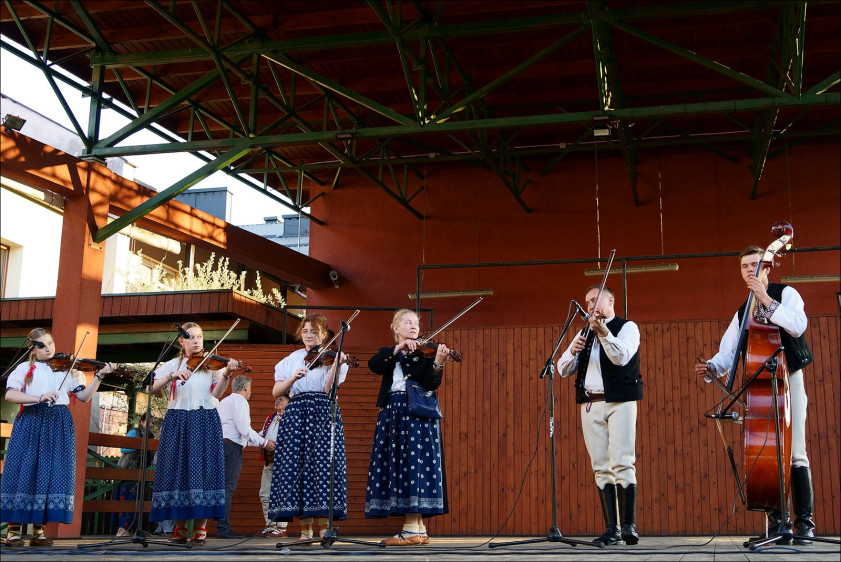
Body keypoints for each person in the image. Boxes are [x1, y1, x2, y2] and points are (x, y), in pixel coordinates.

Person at [694, 245, 815, 545]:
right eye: (744, 266)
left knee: (795, 452)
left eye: (754, 264)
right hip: (758, 387)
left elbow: (798, 326)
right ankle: (777, 524)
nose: (749, 270)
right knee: (767, 455)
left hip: (788, 379)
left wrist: (766, 300)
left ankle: (805, 525)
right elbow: (729, 351)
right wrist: (712, 366)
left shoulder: (786, 293)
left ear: (767, 267)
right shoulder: (742, 310)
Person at [1, 327, 114, 547]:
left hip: (59, 422)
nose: (48, 348)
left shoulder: (70, 369)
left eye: (50, 343)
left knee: (50, 472)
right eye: (42, 345)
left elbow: (83, 396)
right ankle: (13, 531)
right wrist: (39, 397)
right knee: (24, 469)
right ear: (32, 348)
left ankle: (38, 532)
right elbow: (10, 394)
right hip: (32, 421)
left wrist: (99, 376)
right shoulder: (24, 368)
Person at [557, 286, 643, 547]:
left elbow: (621, 357)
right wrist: (573, 351)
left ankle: (628, 527)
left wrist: (604, 333)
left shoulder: (627, 327)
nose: (590, 306)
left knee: (623, 461)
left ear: (611, 300)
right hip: (591, 403)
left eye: (595, 300)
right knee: (600, 466)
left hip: (620, 401)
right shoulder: (583, 333)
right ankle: (611, 529)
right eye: (587, 302)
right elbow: (562, 369)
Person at [365, 308, 450, 546]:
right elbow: (374, 365)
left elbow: (430, 384)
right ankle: (418, 529)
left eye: (416, 323)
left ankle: (412, 528)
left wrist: (438, 364)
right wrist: (398, 349)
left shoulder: (425, 354)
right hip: (393, 411)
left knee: (414, 465)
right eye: (408, 322)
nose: (414, 326)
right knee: (403, 464)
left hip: (414, 413)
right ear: (395, 328)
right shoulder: (388, 353)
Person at [148, 322, 239, 546]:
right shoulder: (172, 364)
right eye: (191, 337)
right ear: (182, 341)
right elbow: (150, 387)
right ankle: (179, 529)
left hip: (205, 418)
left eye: (199, 336)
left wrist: (227, 374)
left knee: (205, 470)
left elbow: (217, 393)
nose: (197, 341)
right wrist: (171, 376)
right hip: (177, 419)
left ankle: (200, 528)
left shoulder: (212, 364)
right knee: (178, 470)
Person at [267, 314, 350, 543]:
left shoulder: (331, 357)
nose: (309, 335)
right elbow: (276, 392)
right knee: (298, 466)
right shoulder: (291, 360)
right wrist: (292, 379)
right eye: (305, 331)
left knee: (323, 467)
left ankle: (324, 529)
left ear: (324, 334)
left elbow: (328, 390)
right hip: (297, 412)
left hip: (323, 411)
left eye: (314, 331)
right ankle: (305, 531)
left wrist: (336, 365)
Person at [215, 374, 273, 539]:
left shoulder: (223, 401)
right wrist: (264, 442)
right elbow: (244, 430)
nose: (250, 391)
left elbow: (238, 433)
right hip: (232, 449)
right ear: (246, 387)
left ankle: (216, 527)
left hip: (219, 446)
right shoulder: (240, 401)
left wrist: (260, 439)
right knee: (228, 487)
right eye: (250, 388)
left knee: (220, 487)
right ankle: (223, 528)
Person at [112, 411, 154, 537]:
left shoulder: (150, 436)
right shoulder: (134, 432)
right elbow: (123, 448)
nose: (151, 425)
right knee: (126, 499)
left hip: (139, 472)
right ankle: (122, 528)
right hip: (127, 469)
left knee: (137, 500)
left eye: (152, 423)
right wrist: (140, 445)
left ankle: (133, 529)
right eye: (148, 422)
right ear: (141, 422)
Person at [257, 394, 290, 538]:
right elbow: (263, 434)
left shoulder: (292, 418)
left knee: (283, 493)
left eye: (281, 399)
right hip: (269, 459)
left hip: (285, 461)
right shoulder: (270, 417)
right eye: (276, 399)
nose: (277, 401)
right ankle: (270, 526)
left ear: (289, 403)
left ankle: (281, 528)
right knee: (265, 493)